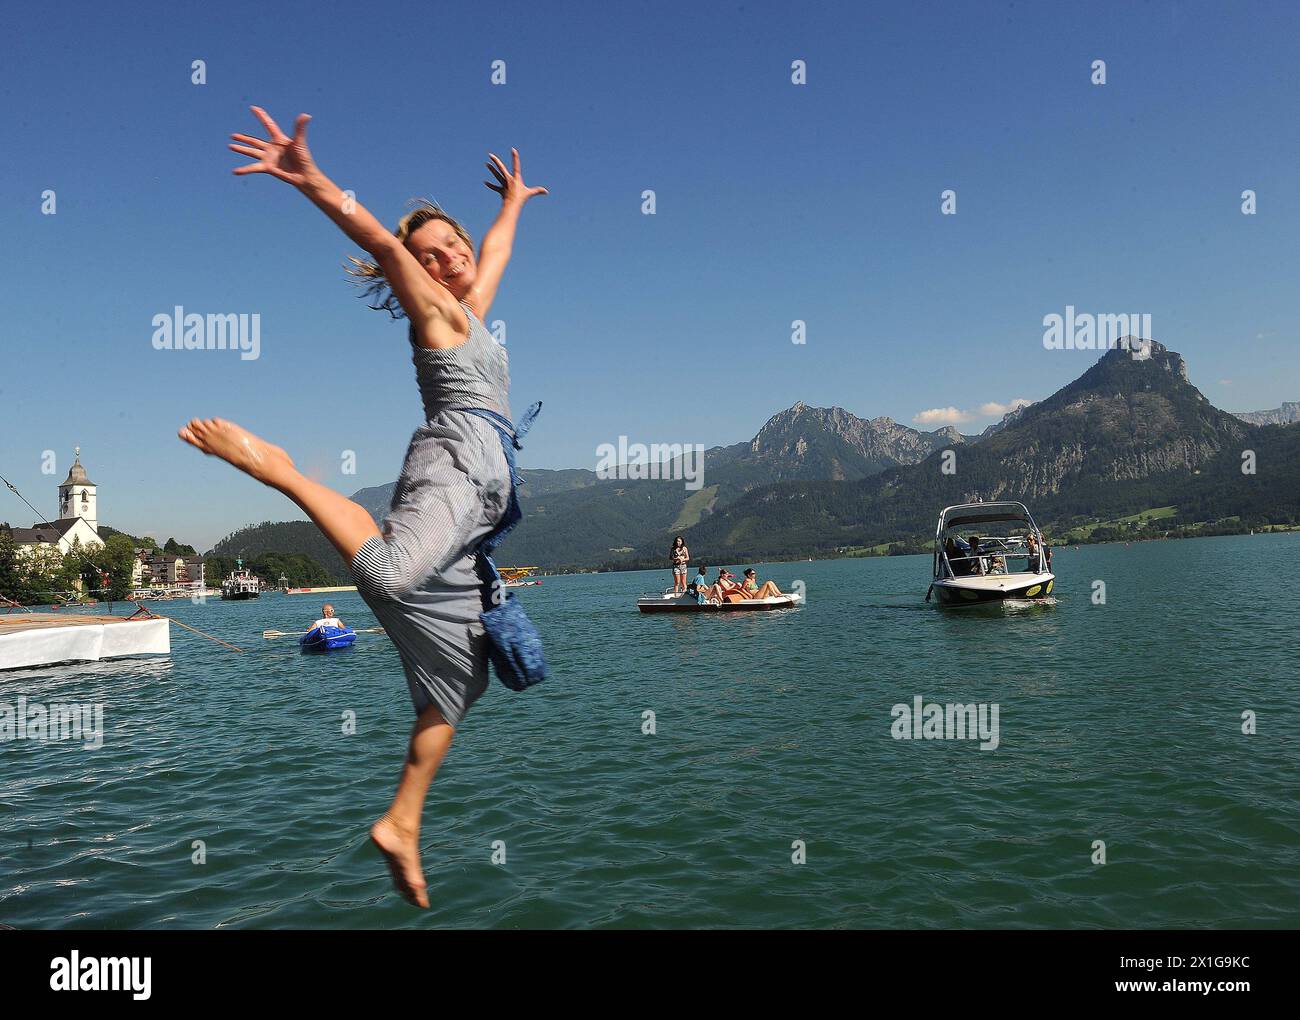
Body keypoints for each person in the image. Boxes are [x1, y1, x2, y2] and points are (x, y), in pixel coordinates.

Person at [179, 106, 548, 909]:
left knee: (464, 673)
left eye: (451, 247)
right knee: (390, 578)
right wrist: (311, 179)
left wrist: (511, 205)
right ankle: (277, 468)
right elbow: (380, 240)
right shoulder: (434, 314)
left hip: (485, 490)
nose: (448, 258)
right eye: (429, 255)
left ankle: (401, 822)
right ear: (409, 275)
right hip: (454, 466)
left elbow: (493, 255)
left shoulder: (470, 310)